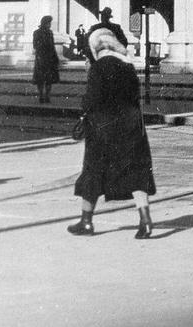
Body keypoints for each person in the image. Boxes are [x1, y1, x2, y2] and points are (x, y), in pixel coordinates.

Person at [67, 28, 156, 238]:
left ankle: (86, 222)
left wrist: (84, 112)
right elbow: (134, 97)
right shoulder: (128, 66)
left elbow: (92, 99)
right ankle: (145, 220)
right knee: (136, 173)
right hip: (130, 127)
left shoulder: (98, 67)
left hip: (103, 128)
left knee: (93, 172)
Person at [32, 15, 61, 104]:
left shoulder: (49, 32)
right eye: (49, 23)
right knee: (41, 79)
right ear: (44, 23)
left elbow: (52, 46)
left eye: (50, 23)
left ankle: (47, 96)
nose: (50, 25)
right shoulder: (37, 33)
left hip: (48, 58)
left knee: (48, 79)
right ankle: (41, 95)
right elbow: (35, 45)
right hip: (42, 58)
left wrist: (55, 58)